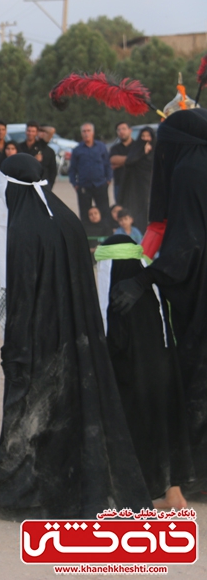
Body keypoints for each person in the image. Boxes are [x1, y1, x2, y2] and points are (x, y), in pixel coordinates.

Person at [0, 153, 151, 521]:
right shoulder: (68, 220)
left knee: (33, 417)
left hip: (38, 345)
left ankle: (20, 493)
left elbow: (18, 299)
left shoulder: (24, 232)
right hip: (77, 341)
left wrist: (16, 352)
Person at [112, 109, 207, 493]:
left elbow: (190, 245)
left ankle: (196, 474)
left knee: (196, 373)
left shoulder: (188, 173)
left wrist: (145, 279)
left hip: (200, 293)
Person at [95, 235, 193, 508]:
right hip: (163, 372)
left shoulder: (118, 290)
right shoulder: (148, 283)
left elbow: (110, 341)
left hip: (133, 381)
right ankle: (174, 493)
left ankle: (135, 498)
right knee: (165, 424)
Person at [68, 122, 112, 223]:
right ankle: (87, 235)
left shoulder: (101, 147)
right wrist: (75, 184)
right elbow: (72, 169)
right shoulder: (77, 150)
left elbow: (107, 164)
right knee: (84, 213)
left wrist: (108, 180)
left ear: (93, 132)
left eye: (88, 131)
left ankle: (105, 234)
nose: (86, 133)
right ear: (81, 133)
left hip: (100, 184)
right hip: (84, 186)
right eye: (84, 131)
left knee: (104, 211)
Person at [121, 126, 154, 227]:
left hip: (150, 184)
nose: (145, 139)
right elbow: (129, 161)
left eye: (148, 136)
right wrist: (143, 153)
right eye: (143, 136)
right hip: (136, 186)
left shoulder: (156, 149)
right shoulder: (136, 148)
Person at [16, 121, 57, 193]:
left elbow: (52, 130)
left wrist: (50, 186)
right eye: (28, 131)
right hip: (23, 185)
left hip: (40, 186)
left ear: (37, 132)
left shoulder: (41, 145)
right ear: (25, 131)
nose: (30, 133)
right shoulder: (20, 147)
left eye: (33, 131)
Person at [109, 121, 134, 203]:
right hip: (119, 184)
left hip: (135, 184)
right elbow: (113, 160)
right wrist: (133, 160)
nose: (121, 132)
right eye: (118, 130)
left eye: (124, 129)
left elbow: (142, 161)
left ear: (130, 130)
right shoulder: (114, 148)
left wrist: (120, 163)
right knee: (120, 211)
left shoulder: (137, 146)